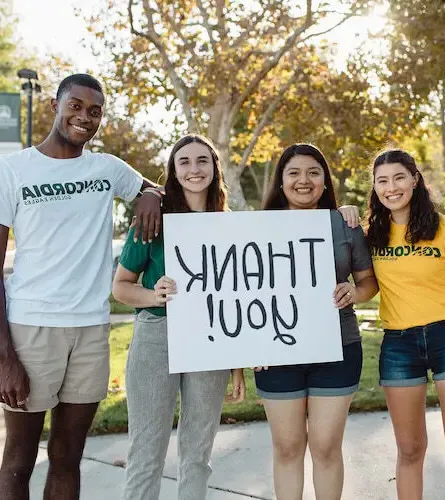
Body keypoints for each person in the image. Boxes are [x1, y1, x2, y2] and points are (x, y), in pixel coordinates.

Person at [0, 73, 163, 500]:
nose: (84, 117)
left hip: (91, 329)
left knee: (68, 453)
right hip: (30, 328)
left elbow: (160, 192)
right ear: (55, 106)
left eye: (94, 112)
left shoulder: (107, 169)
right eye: (75, 106)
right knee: (18, 458)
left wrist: (150, 194)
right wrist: (5, 356)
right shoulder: (12, 170)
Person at [112, 134, 246, 500]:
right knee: (147, 449)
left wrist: (236, 365)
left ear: (214, 167)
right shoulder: (154, 218)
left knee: (198, 452)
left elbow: (236, 298)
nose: (193, 169)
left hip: (211, 339)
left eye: (202, 160)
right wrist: (153, 294)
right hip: (158, 333)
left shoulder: (230, 225)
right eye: (183, 162)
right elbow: (121, 287)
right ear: (172, 170)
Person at [253, 143, 378, 500]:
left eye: (313, 173)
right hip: (275, 351)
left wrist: (354, 293)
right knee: (288, 448)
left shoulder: (344, 224)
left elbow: (368, 282)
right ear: (281, 182)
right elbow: (242, 292)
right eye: (293, 173)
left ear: (325, 181)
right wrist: (248, 342)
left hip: (337, 348)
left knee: (325, 448)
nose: (303, 181)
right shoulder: (257, 228)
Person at [366, 149, 445, 500]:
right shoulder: (370, 232)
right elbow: (365, 285)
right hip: (399, 346)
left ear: (415, 179)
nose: (391, 187)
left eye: (399, 177)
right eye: (382, 181)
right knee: (409, 452)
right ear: (375, 187)